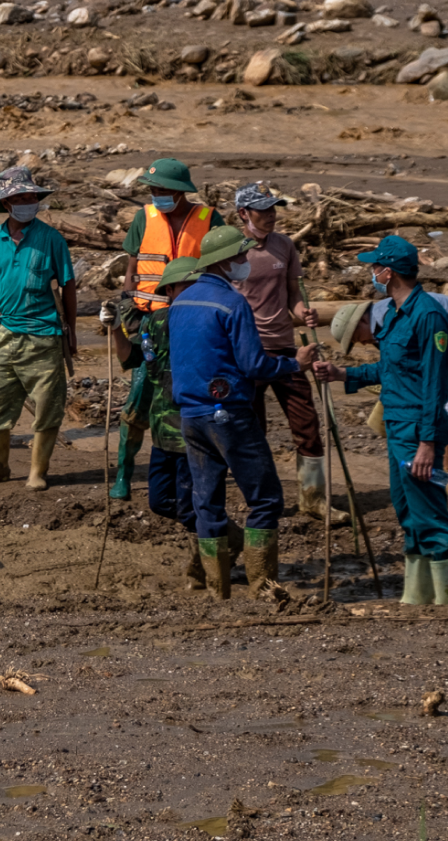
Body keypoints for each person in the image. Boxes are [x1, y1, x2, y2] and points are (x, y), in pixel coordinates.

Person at [168, 226, 317, 600]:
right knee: (265, 498)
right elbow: (253, 365)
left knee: (207, 500)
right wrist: (293, 365)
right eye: (240, 257)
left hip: (191, 414)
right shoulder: (233, 304)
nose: (245, 263)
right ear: (225, 262)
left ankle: (217, 589)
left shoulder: (181, 302)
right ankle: (262, 584)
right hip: (229, 414)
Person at [318, 236, 448, 606]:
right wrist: (343, 375)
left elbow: (433, 383)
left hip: (417, 430)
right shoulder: (395, 315)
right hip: (397, 427)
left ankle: (447, 604)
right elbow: (390, 368)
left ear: (388, 271)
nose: (371, 274)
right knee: (407, 511)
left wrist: (428, 443)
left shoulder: (428, 316)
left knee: (429, 514)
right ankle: (416, 599)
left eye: (374, 267)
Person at [0, 167, 78, 490]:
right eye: (19, 197)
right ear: (6, 203)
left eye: (31, 197)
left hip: (45, 337)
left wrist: (70, 331)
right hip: (6, 334)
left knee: (47, 408)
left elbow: (67, 285)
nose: (27, 202)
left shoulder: (51, 239)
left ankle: (37, 472)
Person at [104, 256, 215, 589]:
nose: (184, 292)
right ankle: (223, 537)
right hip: (163, 432)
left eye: (191, 286)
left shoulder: (206, 323)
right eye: (180, 287)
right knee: (159, 501)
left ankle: (206, 565)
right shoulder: (157, 322)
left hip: (193, 431)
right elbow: (132, 358)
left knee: (191, 504)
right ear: (168, 290)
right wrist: (114, 330)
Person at [113, 157, 214, 500]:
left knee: (190, 402)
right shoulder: (144, 217)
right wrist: (125, 305)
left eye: (163, 190)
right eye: (153, 189)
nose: (157, 195)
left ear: (181, 191)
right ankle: (123, 475)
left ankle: (197, 475)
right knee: (138, 400)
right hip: (149, 322)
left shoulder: (209, 219)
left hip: (193, 321)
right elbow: (131, 268)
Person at [230, 183, 330, 517]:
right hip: (247, 352)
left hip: (287, 350)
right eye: (263, 210)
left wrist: (304, 312)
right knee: (252, 428)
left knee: (307, 424)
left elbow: (293, 294)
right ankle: (261, 501)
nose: (271, 215)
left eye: (274, 209)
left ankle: (313, 498)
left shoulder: (284, 246)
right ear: (244, 213)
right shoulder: (232, 250)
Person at [332, 289, 448, 486]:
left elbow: (414, 367)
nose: (362, 343)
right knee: (444, 414)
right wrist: (346, 375)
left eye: (356, 338)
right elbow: (399, 368)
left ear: (361, 321)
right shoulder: (383, 324)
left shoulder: (395, 318)